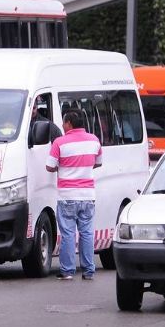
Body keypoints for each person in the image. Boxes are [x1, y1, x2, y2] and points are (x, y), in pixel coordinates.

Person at [46, 109, 103, 281]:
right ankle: (88, 270)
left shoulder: (59, 142)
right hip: (87, 195)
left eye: (64, 123)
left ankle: (68, 271)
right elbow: (97, 163)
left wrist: (64, 167)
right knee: (87, 233)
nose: (62, 126)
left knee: (68, 234)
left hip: (67, 196)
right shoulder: (94, 140)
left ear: (69, 123)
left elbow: (49, 166)